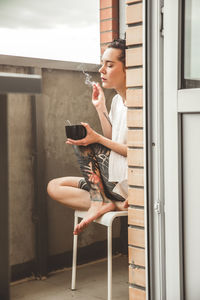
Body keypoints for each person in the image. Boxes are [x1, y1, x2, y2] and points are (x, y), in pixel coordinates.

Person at [47, 39, 128, 235]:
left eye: (109, 65)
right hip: (111, 182)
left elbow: (138, 152)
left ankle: (104, 201)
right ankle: (103, 201)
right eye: (102, 64)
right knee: (54, 186)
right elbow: (112, 139)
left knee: (86, 140)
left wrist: (97, 139)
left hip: (126, 183)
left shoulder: (141, 103)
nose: (102, 70)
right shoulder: (117, 101)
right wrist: (100, 108)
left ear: (129, 68)